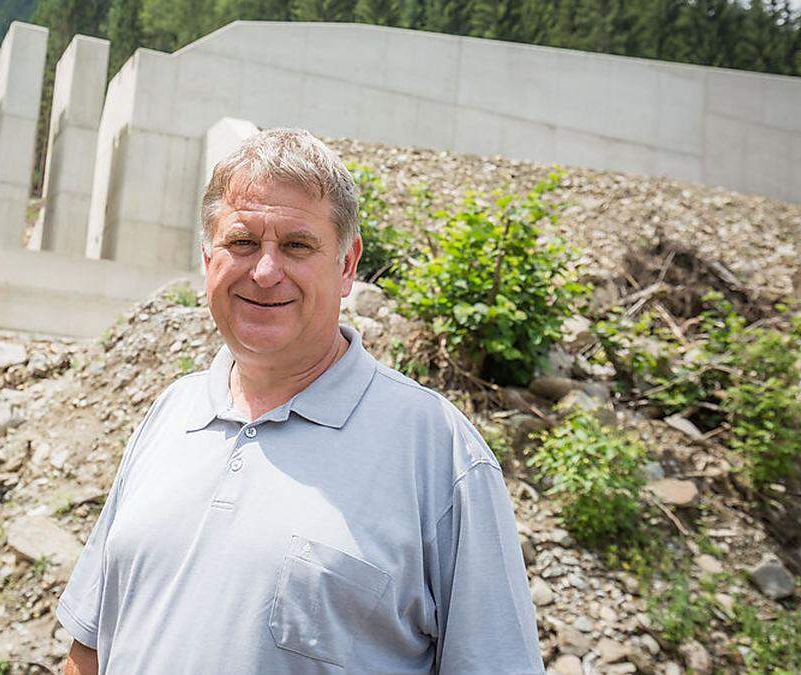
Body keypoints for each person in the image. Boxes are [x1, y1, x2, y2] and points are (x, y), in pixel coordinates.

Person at [55, 128, 543, 674]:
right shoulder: (171, 414)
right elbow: (89, 650)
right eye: (242, 242)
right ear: (207, 258)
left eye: (296, 245)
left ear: (347, 264)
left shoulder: (438, 454)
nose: (265, 272)